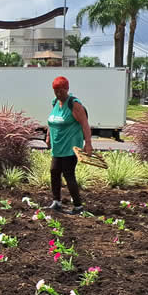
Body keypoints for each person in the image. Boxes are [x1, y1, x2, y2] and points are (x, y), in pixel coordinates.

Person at [45, 75, 94, 214]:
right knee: (54, 172)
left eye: (61, 90)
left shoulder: (74, 104)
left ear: (67, 89)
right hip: (58, 147)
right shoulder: (55, 102)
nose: (58, 93)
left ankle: (78, 206)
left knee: (68, 174)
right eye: (56, 91)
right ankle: (56, 202)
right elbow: (51, 120)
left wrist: (88, 143)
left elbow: (85, 124)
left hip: (71, 148)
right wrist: (48, 136)